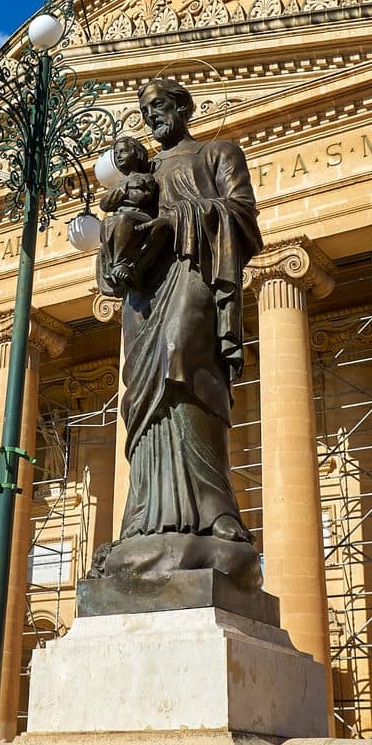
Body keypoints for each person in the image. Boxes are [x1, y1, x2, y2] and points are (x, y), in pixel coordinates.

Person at [93, 77, 263, 587]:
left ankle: (215, 513)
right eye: (145, 111)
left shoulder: (217, 154)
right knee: (144, 400)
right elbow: (111, 248)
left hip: (192, 275)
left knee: (185, 369)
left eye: (161, 106)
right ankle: (144, 519)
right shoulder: (139, 170)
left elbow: (242, 217)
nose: (152, 118)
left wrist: (176, 221)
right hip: (144, 297)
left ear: (184, 107)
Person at [98, 136, 163, 294]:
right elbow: (105, 204)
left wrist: (122, 194)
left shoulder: (145, 177)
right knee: (106, 223)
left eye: (123, 152)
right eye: (116, 153)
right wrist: (127, 187)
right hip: (124, 220)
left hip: (140, 219)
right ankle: (113, 264)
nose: (118, 156)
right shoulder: (121, 183)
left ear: (137, 155)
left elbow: (141, 197)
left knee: (123, 218)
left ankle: (122, 262)